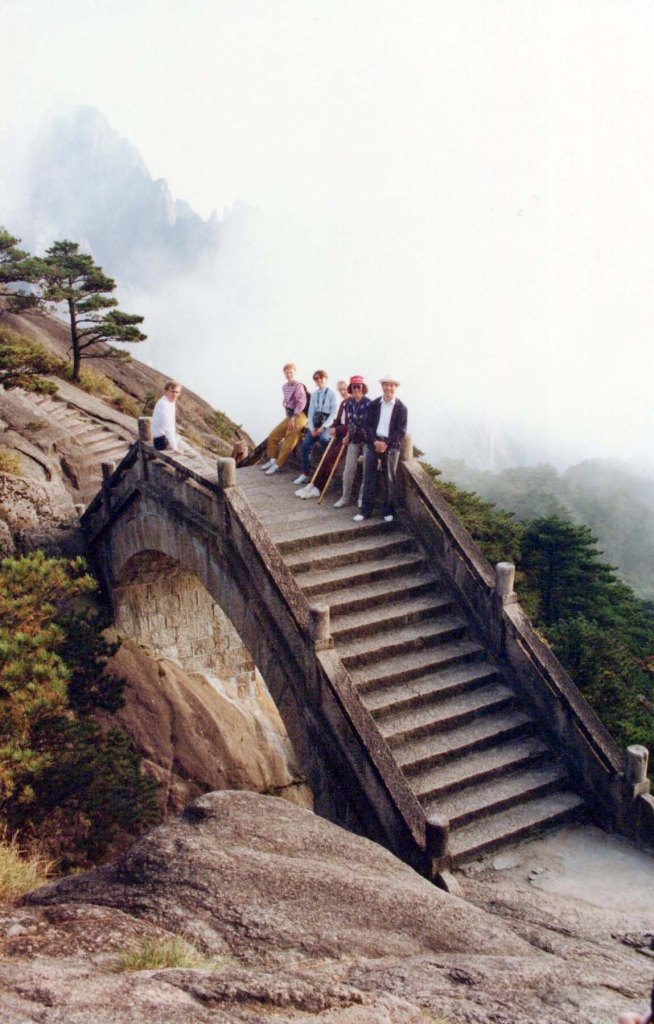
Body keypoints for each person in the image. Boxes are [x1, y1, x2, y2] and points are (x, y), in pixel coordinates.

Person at [354, 374, 407, 524]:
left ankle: (388, 511)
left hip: (391, 447)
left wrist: (386, 444)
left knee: (389, 478)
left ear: (396, 387)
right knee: (369, 476)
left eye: (391, 385)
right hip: (373, 443)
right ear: (382, 386)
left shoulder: (401, 408)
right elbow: (367, 425)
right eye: (386, 384)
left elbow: (400, 431)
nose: (388, 388)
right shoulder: (375, 404)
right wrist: (375, 441)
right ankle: (365, 511)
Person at [295, 379, 350, 500]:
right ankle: (313, 485)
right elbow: (338, 420)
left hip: (347, 438)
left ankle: (319, 488)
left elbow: (350, 425)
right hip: (339, 435)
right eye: (340, 390)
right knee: (325, 458)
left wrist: (337, 430)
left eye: (344, 389)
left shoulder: (352, 403)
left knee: (330, 459)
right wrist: (333, 427)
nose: (342, 392)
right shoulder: (343, 403)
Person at [261, 363, 308, 475]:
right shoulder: (284, 387)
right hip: (290, 415)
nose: (289, 374)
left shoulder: (299, 386)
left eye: (291, 372)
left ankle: (278, 465)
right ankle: (272, 460)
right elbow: (289, 399)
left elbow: (302, 402)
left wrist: (294, 417)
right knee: (273, 436)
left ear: (294, 372)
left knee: (289, 439)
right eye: (286, 373)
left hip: (300, 415)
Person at [293, 370, 337, 486]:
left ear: (326, 378)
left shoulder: (332, 394)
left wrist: (323, 427)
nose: (319, 380)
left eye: (321, 377)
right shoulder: (314, 395)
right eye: (316, 378)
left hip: (327, 423)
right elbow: (311, 412)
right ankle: (305, 473)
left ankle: (326, 473)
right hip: (316, 423)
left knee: (324, 440)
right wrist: (312, 428)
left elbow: (333, 414)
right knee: (305, 445)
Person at [333, 374, 371, 508]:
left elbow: (372, 425)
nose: (356, 389)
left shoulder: (369, 403)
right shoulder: (349, 403)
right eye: (354, 387)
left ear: (363, 387)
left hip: (367, 440)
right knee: (348, 470)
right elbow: (351, 423)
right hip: (354, 439)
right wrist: (347, 436)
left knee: (367, 470)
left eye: (358, 386)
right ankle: (345, 497)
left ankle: (361, 498)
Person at [151, 380, 182, 453]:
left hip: (162, 438)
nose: (174, 394)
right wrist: (175, 449)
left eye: (177, 392)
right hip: (161, 442)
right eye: (172, 391)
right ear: (166, 391)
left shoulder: (169, 401)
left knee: (179, 438)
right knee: (191, 453)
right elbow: (168, 427)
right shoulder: (164, 404)